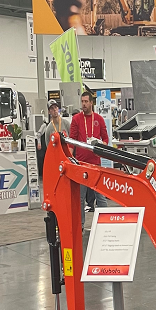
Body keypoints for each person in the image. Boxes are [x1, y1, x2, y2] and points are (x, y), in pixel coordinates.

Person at [69, 90, 109, 229]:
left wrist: (102, 147)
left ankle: (105, 223)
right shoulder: (76, 119)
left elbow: (106, 138)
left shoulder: (99, 119)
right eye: (82, 102)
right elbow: (72, 141)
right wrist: (70, 159)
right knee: (80, 197)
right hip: (81, 163)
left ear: (91, 103)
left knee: (101, 195)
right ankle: (79, 225)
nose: (84, 104)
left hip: (96, 163)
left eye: (86, 101)